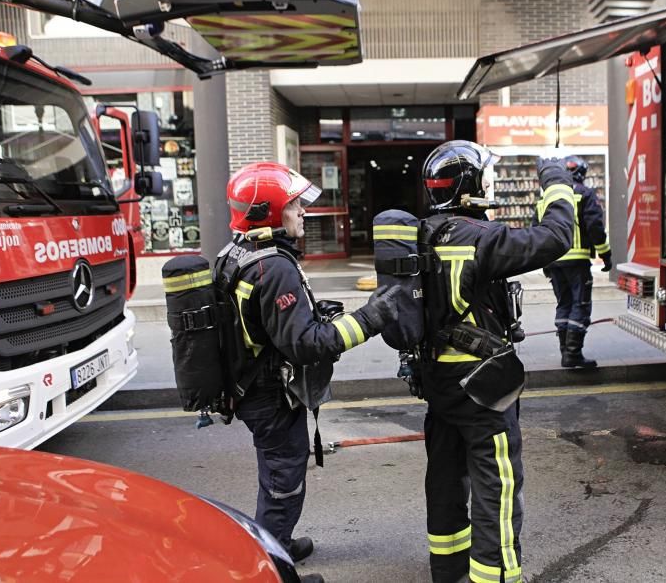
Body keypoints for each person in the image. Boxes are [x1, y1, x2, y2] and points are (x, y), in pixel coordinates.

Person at [221, 162, 398, 583]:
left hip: (249, 387)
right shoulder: (274, 267)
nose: (303, 211)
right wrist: (370, 318)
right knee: (283, 482)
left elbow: (264, 324)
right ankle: (271, 568)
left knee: (275, 473)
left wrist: (310, 315)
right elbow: (305, 345)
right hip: (269, 396)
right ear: (268, 212)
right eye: (293, 205)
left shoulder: (238, 251)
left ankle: (275, 541)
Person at [417, 141, 574, 583]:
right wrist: (555, 178)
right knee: (496, 485)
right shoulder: (479, 237)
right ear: (469, 185)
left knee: (445, 475)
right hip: (481, 387)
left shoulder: (421, 233)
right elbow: (557, 237)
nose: (492, 182)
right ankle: (496, 575)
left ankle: (448, 568)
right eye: (486, 175)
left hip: (437, 380)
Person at [537, 155, 611, 369]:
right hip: (577, 262)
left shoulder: (545, 198)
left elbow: (536, 231)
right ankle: (573, 353)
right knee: (580, 305)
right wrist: (606, 254)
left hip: (554, 261)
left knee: (563, 304)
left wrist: (542, 262)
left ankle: (565, 352)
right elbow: (595, 227)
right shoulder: (584, 194)